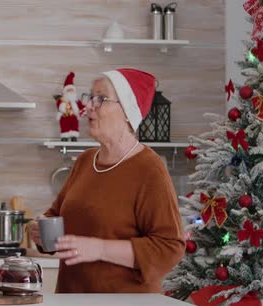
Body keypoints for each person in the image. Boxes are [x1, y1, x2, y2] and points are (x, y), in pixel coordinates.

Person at [29, 68, 185, 293]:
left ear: (127, 111)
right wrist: (42, 233)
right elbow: (55, 216)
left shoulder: (149, 168)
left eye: (101, 99)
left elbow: (169, 247)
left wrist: (100, 249)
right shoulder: (85, 161)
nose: (89, 106)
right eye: (90, 97)